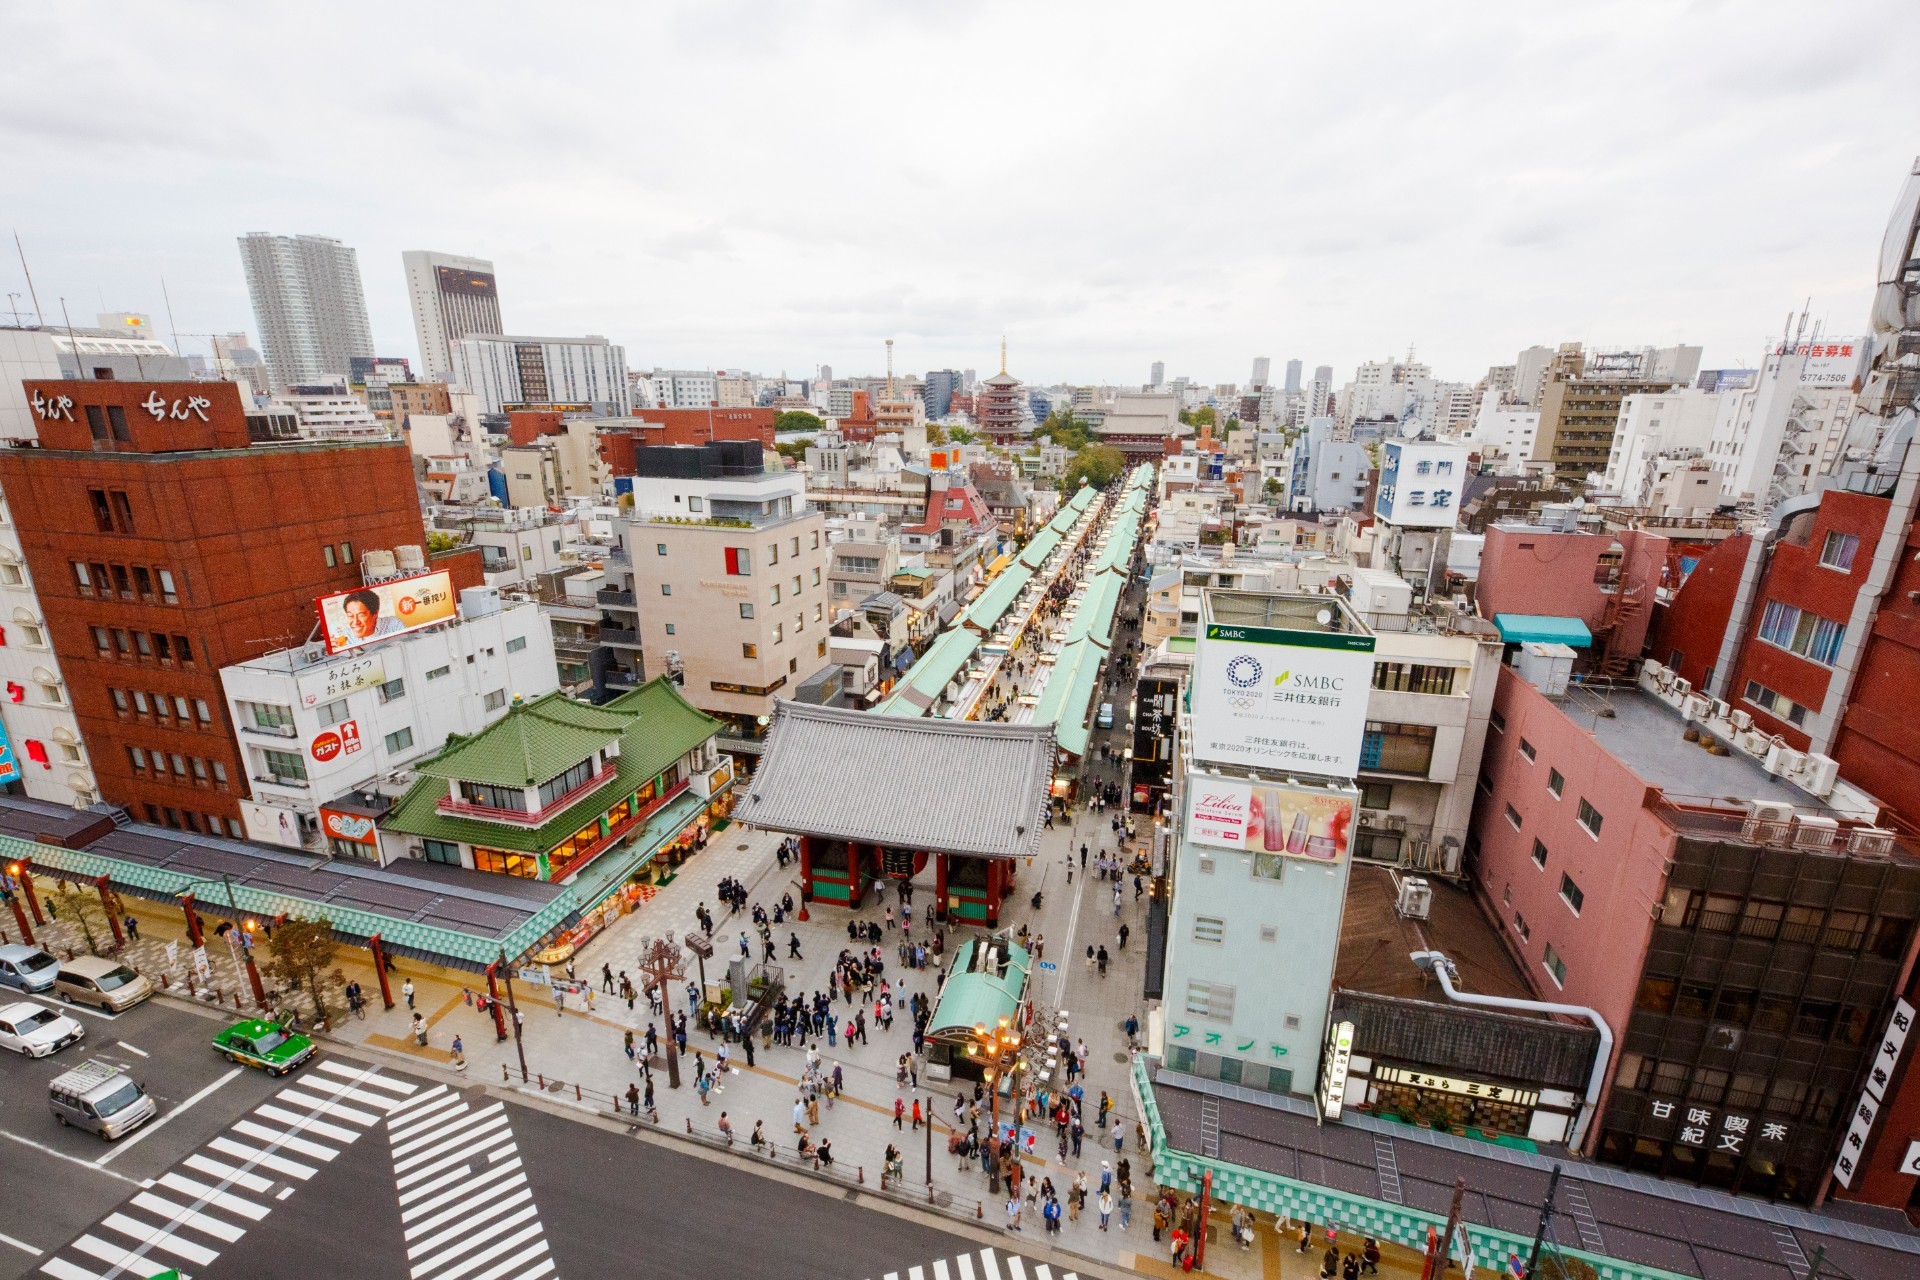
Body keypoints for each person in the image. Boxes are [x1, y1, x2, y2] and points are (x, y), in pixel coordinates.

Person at [338, 589, 403, 642]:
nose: (355, 622)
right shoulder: (346, 636)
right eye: (350, 616)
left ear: (375, 614)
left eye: (360, 615)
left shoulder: (394, 624)